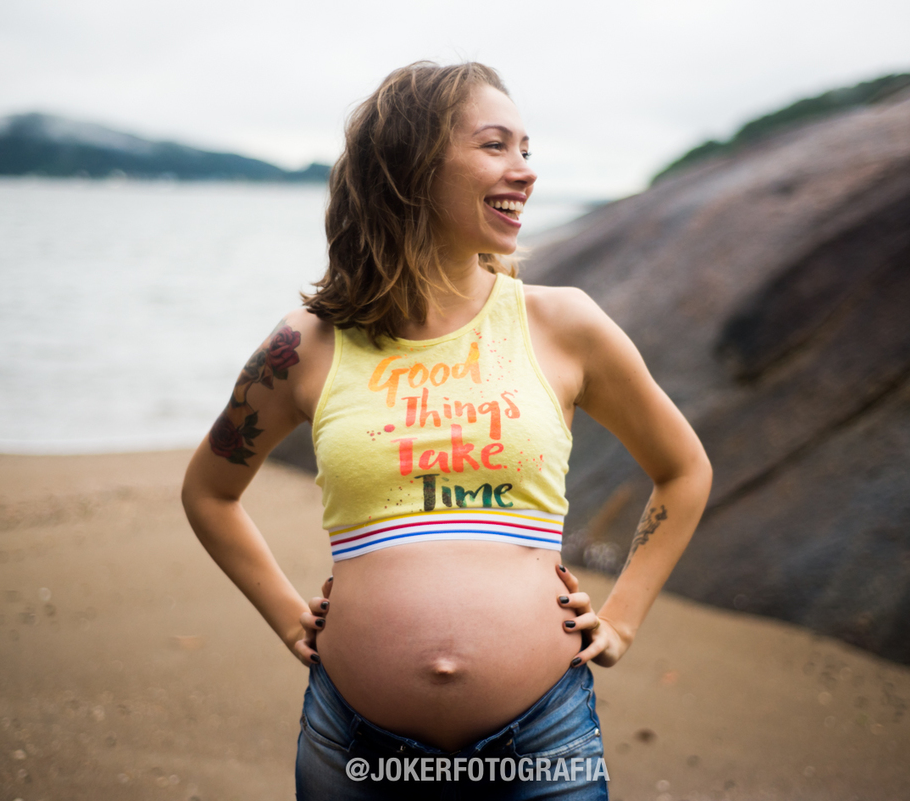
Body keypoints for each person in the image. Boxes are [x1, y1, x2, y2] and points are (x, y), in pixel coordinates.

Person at [182, 61, 712, 800]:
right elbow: (210, 491)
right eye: (496, 145)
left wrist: (620, 619)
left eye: (527, 149)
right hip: (355, 748)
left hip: (543, 742)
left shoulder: (563, 324)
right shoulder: (308, 344)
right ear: (411, 166)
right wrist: (287, 615)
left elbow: (683, 470)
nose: (525, 171)